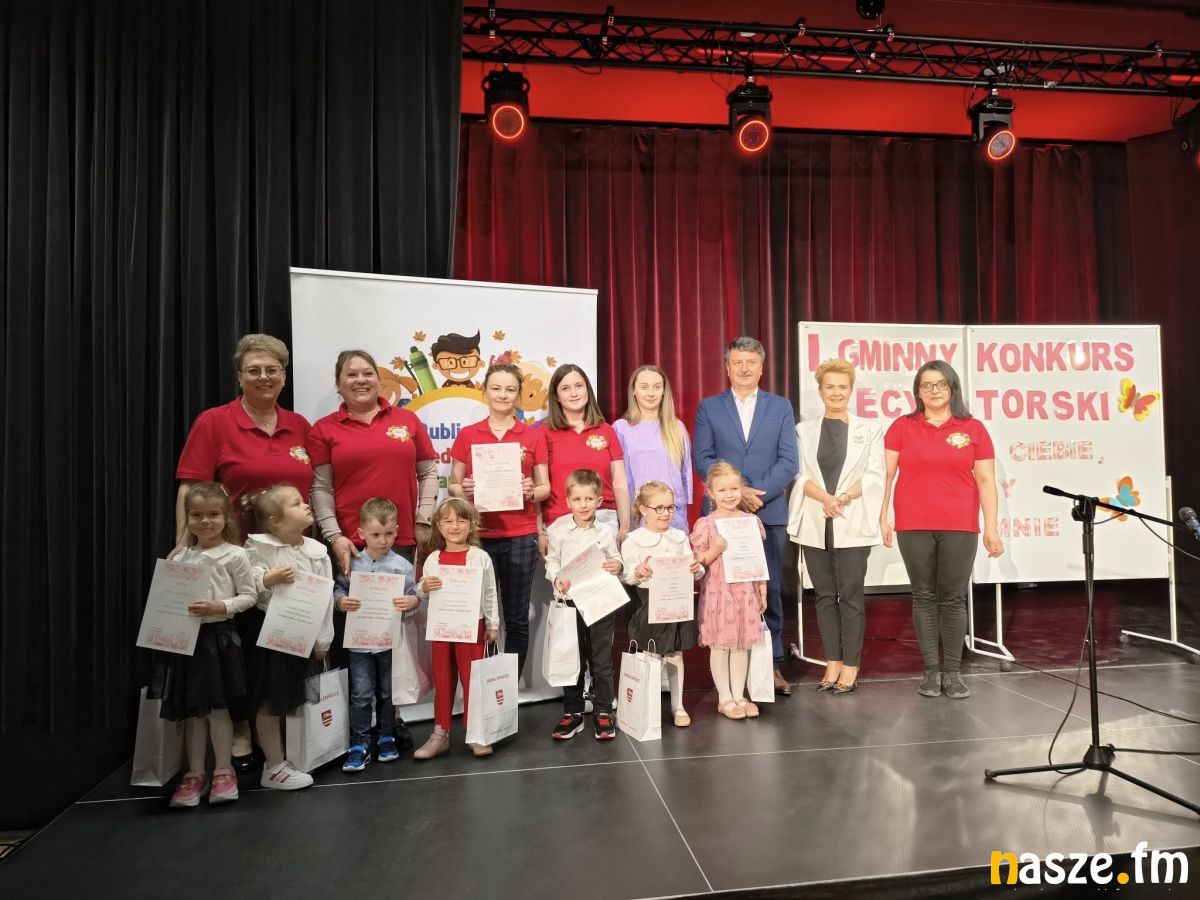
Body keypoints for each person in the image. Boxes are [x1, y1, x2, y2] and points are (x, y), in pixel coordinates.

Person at [174, 333, 312, 773]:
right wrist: (183, 545)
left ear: (284, 376)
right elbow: (191, 489)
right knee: (238, 654)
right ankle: (241, 731)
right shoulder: (214, 423)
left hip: (289, 560)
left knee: (280, 655)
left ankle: (276, 734)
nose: (263, 377)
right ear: (239, 376)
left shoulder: (299, 425)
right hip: (231, 560)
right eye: (253, 370)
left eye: (272, 369)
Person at [880, 360, 1004, 701]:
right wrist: (883, 517)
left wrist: (991, 527)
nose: (933, 390)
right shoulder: (902, 427)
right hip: (913, 524)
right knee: (923, 596)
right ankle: (931, 671)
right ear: (917, 392)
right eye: (926, 385)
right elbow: (885, 477)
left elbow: (986, 481)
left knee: (953, 598)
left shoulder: (973, 428)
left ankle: (952, 672)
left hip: (960, 525)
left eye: (940, 384)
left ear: (952, 388)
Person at [693, 337, 799, 695]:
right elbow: (703, 458)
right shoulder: (709, 407)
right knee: (726, 592)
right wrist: (738, 493)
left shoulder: (780, 407)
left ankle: (772, 666)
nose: (743, 368)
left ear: (761, 367)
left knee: (769, 588)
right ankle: (729, 672)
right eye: (737, 362)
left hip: (768, 511)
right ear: (727, 367)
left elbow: (789, 460)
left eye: (750, 362)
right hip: (723, 518)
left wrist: (755, 494)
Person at [149, 483, 256, 808]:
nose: (205, 521)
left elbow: (249, 596)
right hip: (186, 641)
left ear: (226, 517)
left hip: (218, 640)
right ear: (187, 518)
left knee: (219, 708)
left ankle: (223, 770)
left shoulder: (236, 554)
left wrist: (219, 607)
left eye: (213, 514)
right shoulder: (182, 556)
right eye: (196, 515)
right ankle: (195, 773)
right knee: (192, 711)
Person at [787, 359, 885, 694]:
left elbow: (875, 475)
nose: (836, 393)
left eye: (842, 387)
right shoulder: (804, 431)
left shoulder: (869, 429)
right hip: (815, 519)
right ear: (820, 390)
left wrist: (841, 498)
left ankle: (851, 665)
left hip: (851, 518)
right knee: (824, 596)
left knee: (851, 596)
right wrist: (825, 498)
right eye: (830, 387)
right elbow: (799, 474)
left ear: (851, 390)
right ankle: (832, 660)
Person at [449, 362, 550, 677]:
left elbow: (545, 487)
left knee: (516, 617)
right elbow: (452, 485)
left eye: (510, 389)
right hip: (477, 536)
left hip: (520, 536)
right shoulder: (468, 435)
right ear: (485, 391)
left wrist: (531, 490)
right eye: (496, 388)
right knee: (478, 615)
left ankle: (508, 688)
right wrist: (464, 488)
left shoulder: (531, 436)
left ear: (519, 394)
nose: (503, 395)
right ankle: (481, 683)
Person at [307, 349, 439, 575]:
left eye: (368, 373)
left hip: (399, 539)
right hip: (350, 544)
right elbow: (321, 488)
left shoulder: (407, 419)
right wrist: (335, 536)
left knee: (400, 599)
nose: (360, 380)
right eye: (351, 375)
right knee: (348, 598)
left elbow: (428, 473)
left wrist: (423, 521)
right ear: (338, 385)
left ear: (378, 380)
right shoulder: (323, 429)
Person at [243, 485, 335, 789]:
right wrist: (267, 579)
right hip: (270, 638)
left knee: (293, 697)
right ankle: (273, 765)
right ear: (275, 521)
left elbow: (325, 598)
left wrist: (323, 640)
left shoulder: (317, 551)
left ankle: (293, 755)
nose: (306, 505)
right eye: (296, 503)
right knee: (270, 699)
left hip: (303, 636)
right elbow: (247, 584)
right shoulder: (259, 547)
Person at [334, 498, 419, 772]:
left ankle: (386, 736)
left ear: (397, 531)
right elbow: (338, 589)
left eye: (389, 534)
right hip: (359, 644)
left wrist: (412, 602)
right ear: (361, 533)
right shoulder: (352, 563)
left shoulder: (402, 566)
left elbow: (414, 598)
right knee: (361, 694)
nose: (383, 541)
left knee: (388, 693)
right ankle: (359, 743)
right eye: (375, 535)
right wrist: (340, 601)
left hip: (390, 643)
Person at [412, 498, 501, 759]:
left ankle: (476, 732)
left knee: (473, 679)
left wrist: (492, 624)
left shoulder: (480, 557)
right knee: (443, 679)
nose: (454, 526)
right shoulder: (433, 559)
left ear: (471, 525)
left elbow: (490, 592)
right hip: (441, 628)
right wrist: (423, 588)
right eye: (448, 521)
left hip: (472, 627)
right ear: (438, 526)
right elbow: (421, 589)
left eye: (461, 521)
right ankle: (440, 734)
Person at [544, 469, 624, 741]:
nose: (583, 505)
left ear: (599, 501)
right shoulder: (558, 531)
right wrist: (557, 578)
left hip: (600, 603)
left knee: (601, 660)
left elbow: (616, 559)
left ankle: (603, 710)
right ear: (568, 501)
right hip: (570, 604)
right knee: (572, 659)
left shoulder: (606, 531)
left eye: (589, 499)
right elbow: (551, 560)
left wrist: (617, 566)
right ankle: (573, 712)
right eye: (577, 499)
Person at [620, 481, 703, 727]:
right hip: (647, 602)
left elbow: (694, 569)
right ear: (644, 509)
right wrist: (639, 571)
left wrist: (697, 568)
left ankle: (678, 705)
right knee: (650, 654)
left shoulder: (679, 537)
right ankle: (647, 705)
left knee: (675, 654)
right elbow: (627, 575)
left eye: (670, 507)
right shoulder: (633, 540)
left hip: (676, 601)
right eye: (659, 508)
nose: (665, 513)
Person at [691, 462, 768, 720]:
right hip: (719, 593)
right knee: (721, 645)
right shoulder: (706, 524)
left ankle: (739, 694)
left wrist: (762, 587)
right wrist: (716, 549)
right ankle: (724, 697)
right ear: (711, 493)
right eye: (722, 490)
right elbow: (698, 561)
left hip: (745, 591)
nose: (729, 494)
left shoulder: (750, 521)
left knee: (741, 644)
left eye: (734, 488)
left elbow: (758, 558)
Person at [539, 364, 630, 550]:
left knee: (606, 570)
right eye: (565, 388)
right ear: (556, 396)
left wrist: (624, 528)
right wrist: (540, 531)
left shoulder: (606, 431)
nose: (574, 393)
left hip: (604, 520)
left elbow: (619, 483)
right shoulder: (543, 433)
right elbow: (539, 487)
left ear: (587, 389)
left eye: (578, 386)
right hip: (561, 522)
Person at [613, 365, 693, 533]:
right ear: (633, 391)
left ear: (664, 392)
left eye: (657, 387)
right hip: (637, 515)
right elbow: (617, 477)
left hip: (672, 516)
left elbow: (685, 473)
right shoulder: (620, 428)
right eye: (644, 387)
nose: (651, 393)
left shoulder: (677, 428)